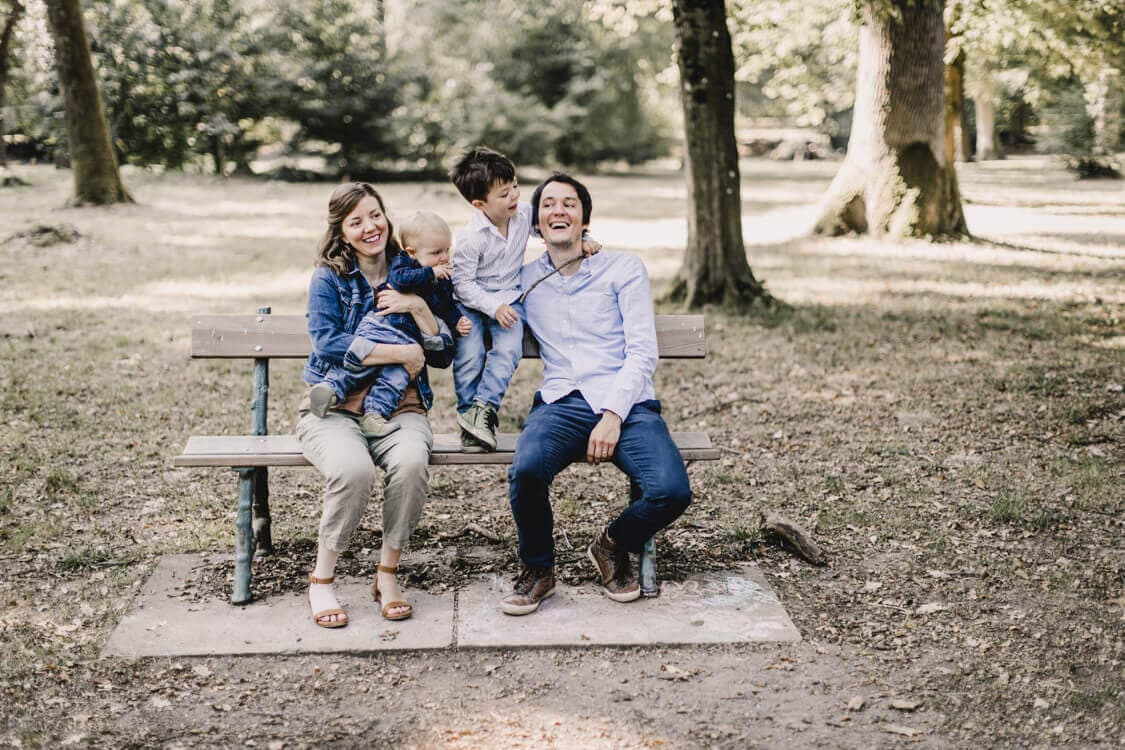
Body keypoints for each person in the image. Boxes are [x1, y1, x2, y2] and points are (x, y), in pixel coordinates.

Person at [500, 173, 692, 616]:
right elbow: (472, 284)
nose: (558, 211)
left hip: (627, 403)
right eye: (548, 204)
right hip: (562, 402)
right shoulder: (524, 280)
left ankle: (610, 545)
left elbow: (643, 351)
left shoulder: (623, 268)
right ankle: (538, 571)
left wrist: (612, 414)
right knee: (526, 471)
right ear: (536, 222)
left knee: (671, 490)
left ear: (585, 218)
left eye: (569, 203)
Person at [297, 183, 456, 628]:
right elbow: (328, 343)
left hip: (402, 407)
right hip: (335, 408)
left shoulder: (414, 266)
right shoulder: (330, 277)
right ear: (342, 232)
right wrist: (403, 354)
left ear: (386, 217)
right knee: (354, 471)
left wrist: (419, 310)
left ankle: (387, 575)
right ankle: (322, 580)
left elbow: (443, 354)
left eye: (375, 215)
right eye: (356, 221)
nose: (369, 227)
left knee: (408, 465)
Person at [448, 147, 600, 452]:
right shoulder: (470, 240)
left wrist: (582, 239)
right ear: (480, 204)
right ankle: (468, 417)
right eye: (504, 194)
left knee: (507, 350)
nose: (515, 196)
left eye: (515, 186)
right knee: (470, 354)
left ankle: (484, 408)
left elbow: (551, 226)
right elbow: (462, 285)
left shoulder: (521, 217)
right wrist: (492, 307)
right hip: (472, 304)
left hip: (510, 299)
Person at [308, 211, 471, 439]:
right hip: (382, 328)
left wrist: (454, 320)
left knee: (395, 380)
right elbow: (402, 280)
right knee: (359, 365)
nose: (444, 258)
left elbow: (445, 312)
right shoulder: (403, 263)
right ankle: (330, 388)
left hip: (406, 340)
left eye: (447, 250)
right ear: (412, 252)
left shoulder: (441, 278)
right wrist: (430, 272)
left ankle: (374, 414)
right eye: (436, 253)